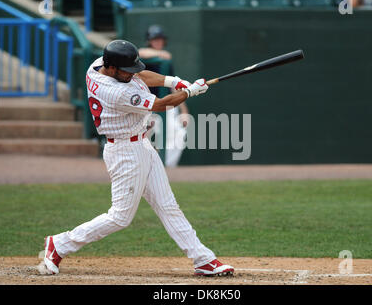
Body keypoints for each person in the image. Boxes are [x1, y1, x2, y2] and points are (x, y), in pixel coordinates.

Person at [39, 40, 234, 277]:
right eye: (125, 71)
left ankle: (203, 259)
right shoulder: (116, 91)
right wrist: (189, 92)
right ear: (111, 68)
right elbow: (161, 104)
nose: (131, 74)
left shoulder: (98, 64)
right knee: (120, 217)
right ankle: (59, 244)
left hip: (140, 144)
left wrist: (175, 82)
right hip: (125, 152)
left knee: (167, 205)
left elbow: (140, 74)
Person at [139, 25, 189, 167]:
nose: (158, 42)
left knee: (179, 134)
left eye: (160, 39)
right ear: (149, 40)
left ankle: (166, 166)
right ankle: (144, 165)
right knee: (142, 137)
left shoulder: (166, 60)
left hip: (167, 104)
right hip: (147, 105)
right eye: (155, 39)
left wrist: (184, 111)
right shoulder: (145, 59)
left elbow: (174, 89)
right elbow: (139, 52)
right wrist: (159, 54)